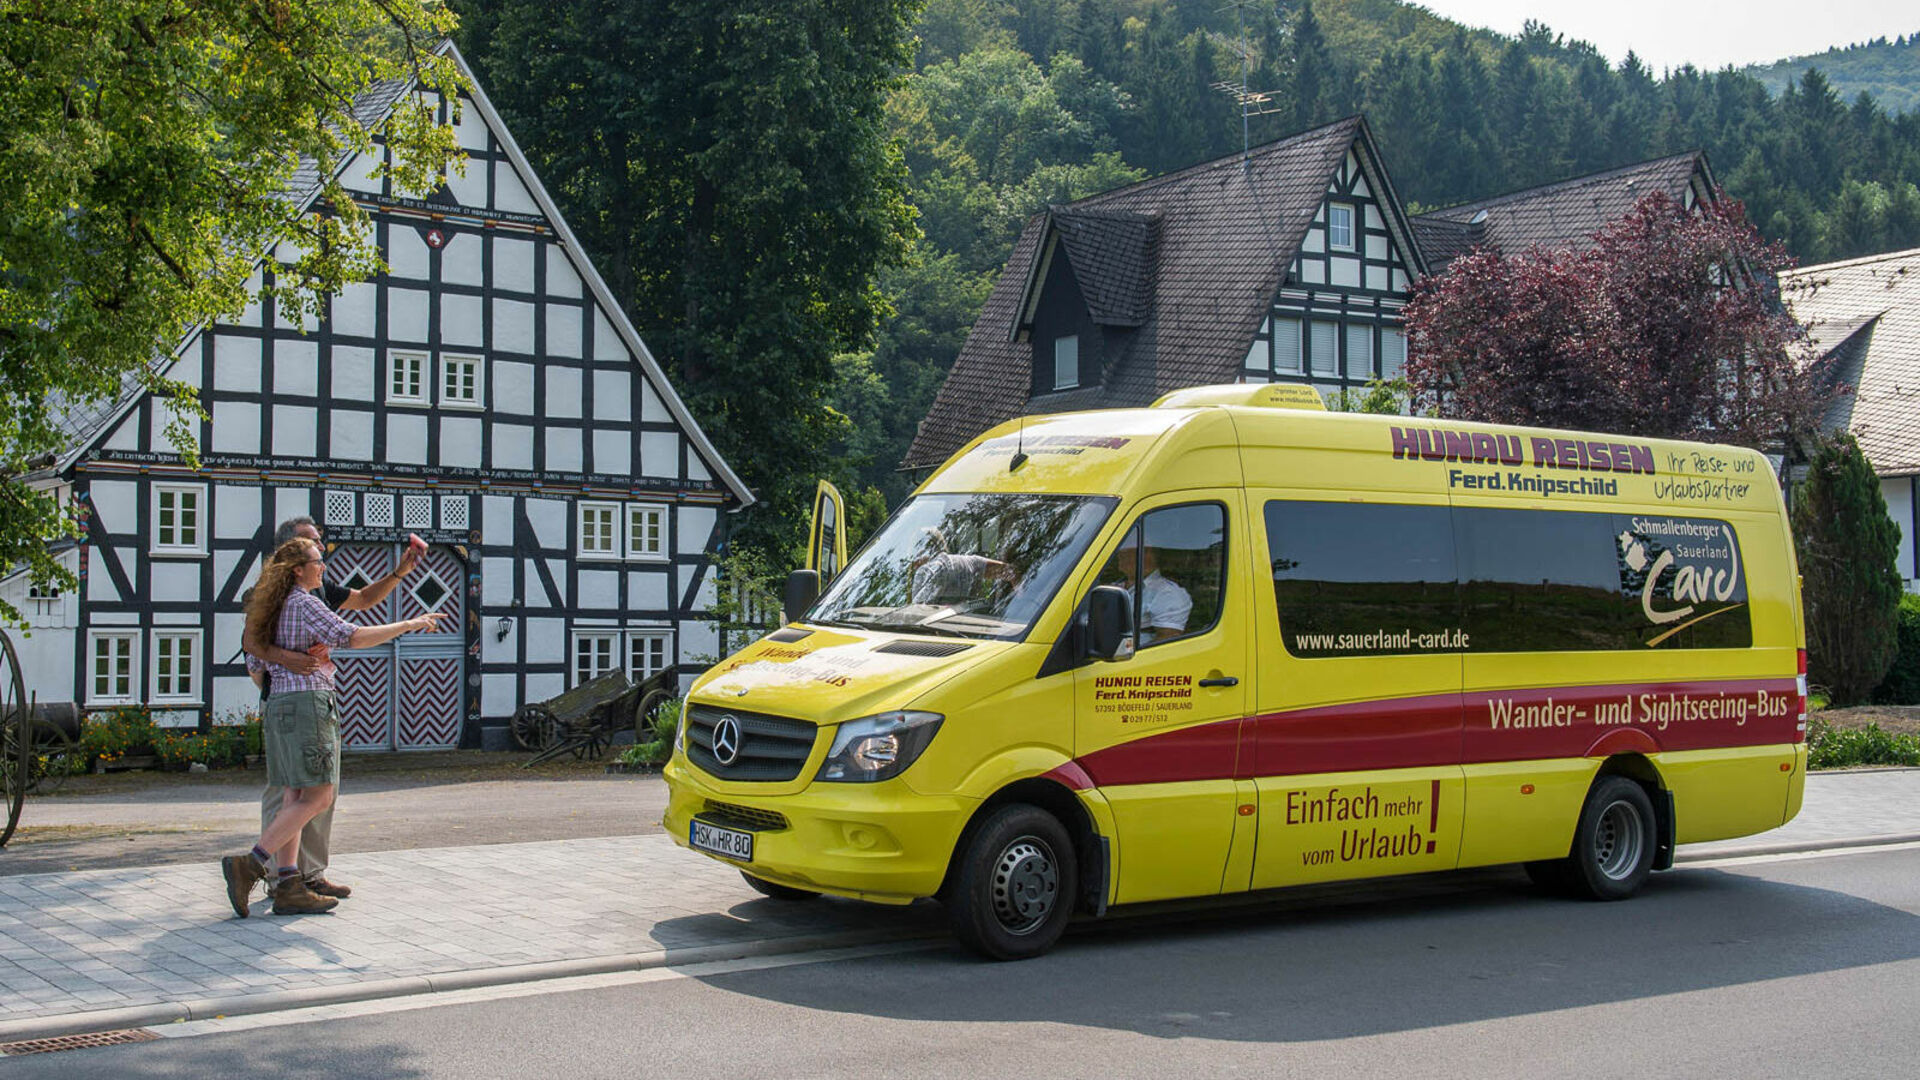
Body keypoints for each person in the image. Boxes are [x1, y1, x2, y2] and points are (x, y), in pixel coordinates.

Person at [222, 539, 445, 916]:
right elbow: (353, 636)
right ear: (297, 569)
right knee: (319, 796)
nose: (322, 567)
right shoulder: (304, 602)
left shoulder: (272, 604)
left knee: (295, 794)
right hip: (308, 704)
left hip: (281, 704)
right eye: (317, 561)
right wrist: (411, 623)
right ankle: (251, 863)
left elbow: (254, 649)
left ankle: (290, 883)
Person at [1113, 534, 1192, 644]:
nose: (1120, 556)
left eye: (1127, 552)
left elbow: (1167, 641)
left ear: (1148, 556)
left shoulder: (1168, 593)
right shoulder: (1116, 586)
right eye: (1121, 552)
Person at [909, 527, 1014, 605]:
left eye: (916, 551)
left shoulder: (924, 572)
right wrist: (1021, 605)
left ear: (926, 549)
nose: (913, 560)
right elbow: (1010, 571)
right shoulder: (970, 562)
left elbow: (916, 613)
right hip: (976, 628)